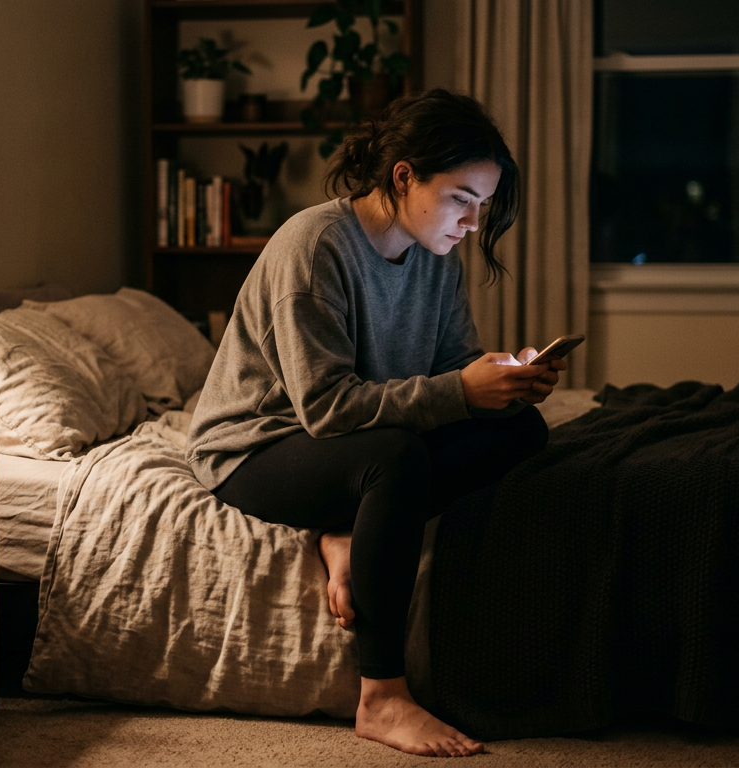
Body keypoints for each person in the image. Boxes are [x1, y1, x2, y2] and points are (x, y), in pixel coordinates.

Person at [186, 88, 566, 758]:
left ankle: (344, 526)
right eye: (460, 199)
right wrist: (459, 389)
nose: (473, 222)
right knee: (393, 458)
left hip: (346, 446)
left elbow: (448, 368)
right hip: (259, 446)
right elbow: (329, 408)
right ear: (404, 176)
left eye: (483, 204)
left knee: (522, 431)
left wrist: (505, 381)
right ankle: (382, 697)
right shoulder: (314, 246)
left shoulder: (436, 258)